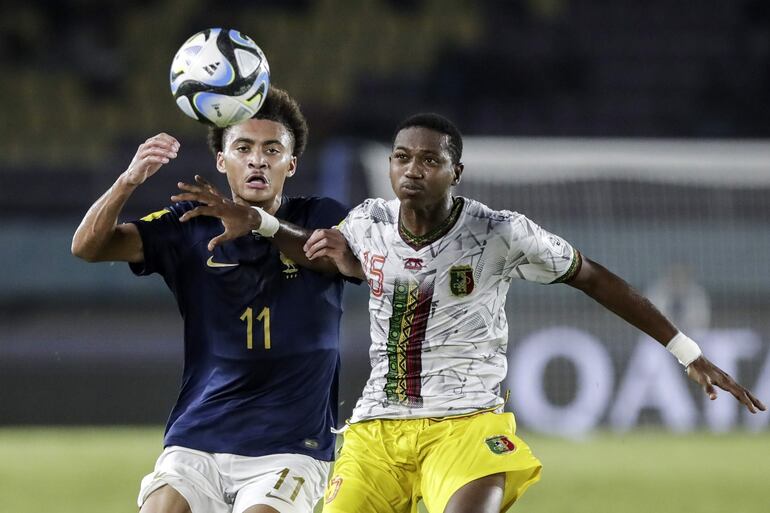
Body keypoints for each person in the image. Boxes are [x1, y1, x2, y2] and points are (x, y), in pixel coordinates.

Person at [296, 113, 767, 513]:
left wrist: (685, 350)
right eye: (402, 157)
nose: (413, 169)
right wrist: (262, 223)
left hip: (466, 424)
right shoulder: (366, 222)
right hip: (377, 425)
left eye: (430, 159)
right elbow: (334, 258)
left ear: (455, 171)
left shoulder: (499, 232)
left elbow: (593, 276)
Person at [71, 87, 352, 513]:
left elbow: (337, 260)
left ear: (290, 164)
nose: (258, 159)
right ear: (222, 160)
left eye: (272, 150)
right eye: (243, 147)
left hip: (291, 445)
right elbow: (88, 247)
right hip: (200, 435)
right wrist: (128, 181)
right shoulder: (188, 223)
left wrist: (260, 223)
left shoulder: (322, 216)